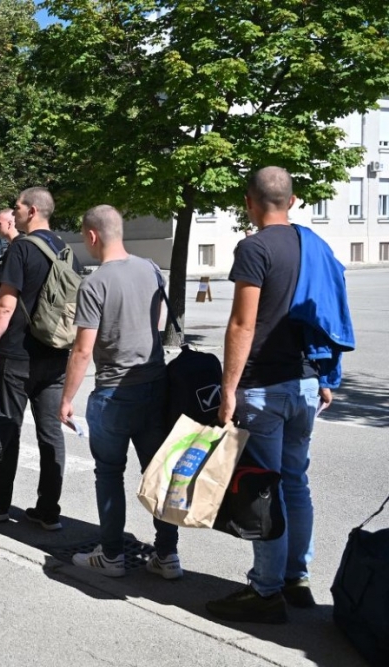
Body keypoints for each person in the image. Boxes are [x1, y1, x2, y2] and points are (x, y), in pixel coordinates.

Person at [206, 167, 332, 624]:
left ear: (249, 202)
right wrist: (327, 375)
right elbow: (329, 312)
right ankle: (297, 578)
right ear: (294, 200)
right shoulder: (314, 246)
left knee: (266, 489)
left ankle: (265, 592)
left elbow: (243, 324)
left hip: (263, 387)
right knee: (297, 482)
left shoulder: (255, 248)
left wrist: (228, 389)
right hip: (304, 382)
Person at [58, 205, 181, 579]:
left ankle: (111, 556)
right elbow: (156, 322)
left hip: (113, 390)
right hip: (155, 384)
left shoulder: (94, 283)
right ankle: (168, 556)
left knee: (109, 473)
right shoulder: (151, 269)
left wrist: (66, 400)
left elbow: (82, 349)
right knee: (157, 472)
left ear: (92, 236)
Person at [0, 187, 79, 529]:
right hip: (57, 352)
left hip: (17, 355)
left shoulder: (22, 248)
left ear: (32, 211)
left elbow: (5, 305)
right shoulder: (65, 249)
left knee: (9, 429)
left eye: (16, 207)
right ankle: (48, 510)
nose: (13, 213)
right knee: (50, 434)